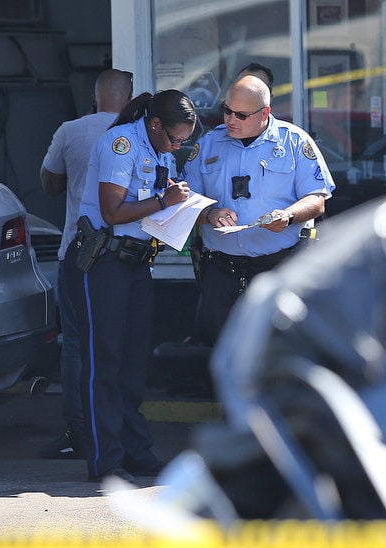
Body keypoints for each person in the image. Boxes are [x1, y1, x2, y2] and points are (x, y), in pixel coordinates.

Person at [70, 89, 196, 483]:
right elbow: (112, 211)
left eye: (184, 141)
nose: (178, 146)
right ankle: (105, 460)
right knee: (103, 361)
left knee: (133, 362)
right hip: (104, 262)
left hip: (138, 264)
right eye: (175, 139)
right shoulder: (121, 143)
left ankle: (136, 452)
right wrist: (165, 201)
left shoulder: (160, 149)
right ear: (155, 124)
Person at [183, 75, 335, 346]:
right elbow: (185, 200)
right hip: (221, 270)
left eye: (240, 115)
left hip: (277, 268)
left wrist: (287, 216)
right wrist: (209, 214)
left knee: (276, 352)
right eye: (226, 111)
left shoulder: (294, 142)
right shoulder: (208, 144)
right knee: (218, 353)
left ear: (264, 113)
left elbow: (316, 199)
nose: (230, 120)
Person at [38, 69, 133, 460]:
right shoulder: (139, 133)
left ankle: (79, 430)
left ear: (95, 97)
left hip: (76, 252)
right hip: (126, 255)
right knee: (123, 344)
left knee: (77, 345)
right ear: (129, 99)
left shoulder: (71, 130)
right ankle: (119, 429)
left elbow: (48, 183)